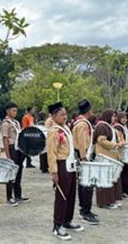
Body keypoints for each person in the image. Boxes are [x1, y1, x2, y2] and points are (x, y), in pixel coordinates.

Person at [46, 102, 84, 240]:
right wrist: (54, 172)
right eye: (61, 114)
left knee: (71, 194)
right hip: (61, 165)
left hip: (70, 165)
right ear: (54, 116)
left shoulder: (65, 128)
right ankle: (57, 225)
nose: (65, 116)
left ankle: (67, 220)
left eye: (65, 114)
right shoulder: (53, 131)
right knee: (61, 197)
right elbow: (51, 153)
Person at [71, 99, 99, 225]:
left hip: (83, 154)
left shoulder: (80, 122)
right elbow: (82, 142)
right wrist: (84, 157)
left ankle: (86, 209)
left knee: (85, 184)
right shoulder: (82, 124)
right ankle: (85, 211)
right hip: (84, 155)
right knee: (86, 184)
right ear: (89, 111)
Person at [1, 102, 30, 206]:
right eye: (13, 110)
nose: (15, 112)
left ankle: (18, 195)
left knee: (19, 171)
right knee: (11, 173)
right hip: (12, 148)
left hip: (19, 148)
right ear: (8, 111)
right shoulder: (6, 123)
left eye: (16, 110)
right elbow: (5, 139)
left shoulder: (16, 122)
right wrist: (8, 156)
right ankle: (9, 197)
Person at [94, 109, 124, 209]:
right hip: (105, 157)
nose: (115, 118)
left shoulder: (109, 126)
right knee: (105, 180)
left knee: (112, 179)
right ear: (108, 116)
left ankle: (112, 200)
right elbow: (101, 141)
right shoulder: (102, 126)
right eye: (113, 116)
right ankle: (105, 202)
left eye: (115, 116)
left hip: (111, 157)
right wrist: (115, 144)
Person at [113, 112, 128, 199]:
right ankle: (124, 191)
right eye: (122, 118)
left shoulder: (124, 126)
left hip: (126, 150)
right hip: (121, 151)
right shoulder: (117, 127)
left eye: (126, 118)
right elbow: (120, 140)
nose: (124, 119)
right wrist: (126, 143)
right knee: (124, 171)